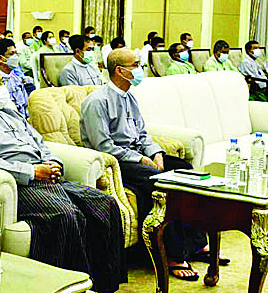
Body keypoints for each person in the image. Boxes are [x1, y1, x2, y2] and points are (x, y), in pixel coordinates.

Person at [0, 60, 129, 293]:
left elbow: (40, 142)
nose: (3, 88)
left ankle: (105, 291)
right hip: (21, 185)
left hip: (49, 177)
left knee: (105, 204)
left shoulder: (11, 114)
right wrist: (32, 171)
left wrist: (53, 162)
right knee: (66, 215)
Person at [82, 49, 210, 280]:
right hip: (119, 161)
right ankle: (172, 254)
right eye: (136, 65)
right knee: (162, 183)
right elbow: (103, 145)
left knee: (186, 171)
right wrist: (140, 158)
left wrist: (155, 152)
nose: (140, 69)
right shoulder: (97, 102)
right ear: (120, 70)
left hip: (141, 154)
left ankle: (197, 243)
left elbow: (142, 134)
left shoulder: (129, 96)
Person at [0, 38, 36, 119]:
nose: (16, 57)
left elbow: (25, 105)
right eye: (11, 54)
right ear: (1, 58)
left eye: (16, 53)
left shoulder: (16, 78)